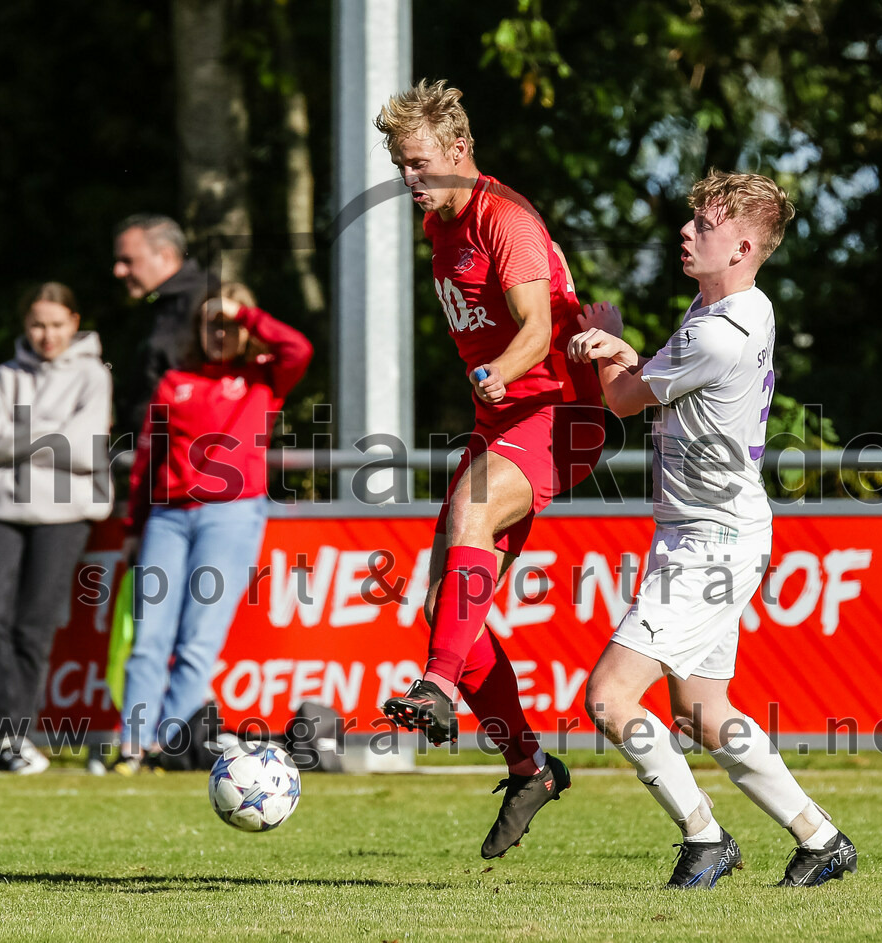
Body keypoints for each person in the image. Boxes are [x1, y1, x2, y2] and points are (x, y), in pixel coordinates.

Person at [568, 170, 857, 888]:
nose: (687, 231)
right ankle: (821, 839)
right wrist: (623, 355)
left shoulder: (719, 330)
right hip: (711, 530)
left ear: (744, 245)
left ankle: (706, 838)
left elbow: (627, 401)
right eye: (692, 218)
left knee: (608, 696)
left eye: (705, 223)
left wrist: (603, 342)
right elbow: (659, 378)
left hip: (711, 538)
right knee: (701, 708)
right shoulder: (738, 305)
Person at [374, 79, 606, 858]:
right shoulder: (441, 223)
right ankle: (530, 764)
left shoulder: (504, 217)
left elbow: (538, 331)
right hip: (500, 419)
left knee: (471, 518)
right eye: (400, 164)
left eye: (419, 163)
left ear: (461, 150)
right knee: (447, 608)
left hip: (562, 415)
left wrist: (496, 370)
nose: (409, 178)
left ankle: (436, 689)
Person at [111, 282, 312, 774]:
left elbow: (298, 347)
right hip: (168, 517)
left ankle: (165, 745)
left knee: (198, 638)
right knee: (149, 637)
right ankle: (130, 747)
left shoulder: (264, 378)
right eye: (210, 323)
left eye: (229, 323)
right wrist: (134, 523)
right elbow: (147, 457)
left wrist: (245, 312)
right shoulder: (175, 381)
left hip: (232, 514)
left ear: (246, 328)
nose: (219, 332)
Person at [0, 282, 113, 774]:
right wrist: (51, 431)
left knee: (33, 626)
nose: (46, 335)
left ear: (74, 322)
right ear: (24, 326)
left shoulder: (93, 374)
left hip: (67, 513)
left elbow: (85, 446)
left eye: (56, 324)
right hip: (7, 509)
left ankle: (15, 741)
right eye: (37, 324)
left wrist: (18, 436)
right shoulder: (6, 374)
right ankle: (5, 739)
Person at [112, 214, 209, 432]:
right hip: (149, 452)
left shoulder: (209, 301)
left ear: (165, 256)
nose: (118, 271)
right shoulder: (152, 305)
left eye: (128, 260)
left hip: (190, 455)